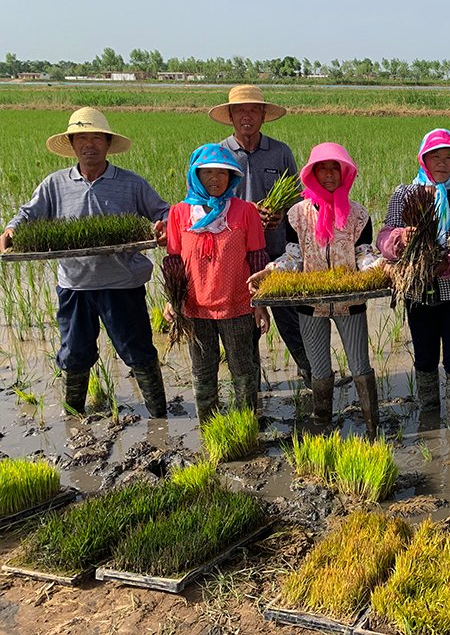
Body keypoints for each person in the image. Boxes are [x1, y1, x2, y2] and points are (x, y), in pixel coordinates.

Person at [0, 108, 169, 417]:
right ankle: (73, 417)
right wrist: (11, 229)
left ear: (107, 143)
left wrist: (164, 226)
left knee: (139, 352)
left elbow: (163, 212)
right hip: (75, 287)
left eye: (95, 138)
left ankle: (159, 415)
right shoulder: (54, 184)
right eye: (81, 138)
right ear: (72, 144)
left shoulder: (131, 184)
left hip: (123, 285)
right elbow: (26, 214)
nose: (89, 144)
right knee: (74, 354)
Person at [249, 143, 381, 435]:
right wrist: (271, 272)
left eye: (336, 168)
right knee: (319, 369)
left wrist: (382, 268)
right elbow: (293, 256)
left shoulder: (358, 214)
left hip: (351, 303)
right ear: (312, 173)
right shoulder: (297, 215)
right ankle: (322, 422)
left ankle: (373, 425)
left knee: (360, 365)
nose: (330, 174)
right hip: (310, 306)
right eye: (323, 168)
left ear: (345, 173)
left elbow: (364, 255)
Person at [377, 129, 450, 432]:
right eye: (436, 156)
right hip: (418, 290)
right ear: (424, 159)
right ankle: (430, 420)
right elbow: (383, 237)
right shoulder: (405, 194)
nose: (443, 163)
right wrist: (400, 237)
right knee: (424, 356)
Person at [212, 85, 311, 386]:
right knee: (244, 326)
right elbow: (210, 206)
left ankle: (311, 375)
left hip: (279, 252)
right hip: (236, 257)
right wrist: (248, 213)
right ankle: (249, 390)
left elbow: (297, 201)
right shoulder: (219, 155)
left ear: (264, 115)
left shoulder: (280, 152)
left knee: (292, 319)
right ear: (230, 115)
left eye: (254, 109)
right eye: (240, 110)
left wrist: (280, 213)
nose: (247, 116)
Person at [163, 144, 270, 421]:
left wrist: (260, 304)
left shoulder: (245, 211)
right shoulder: (179, 213)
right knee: (202, 370)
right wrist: (172, 301)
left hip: (236, 304)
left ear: (232, 177)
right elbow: (174, 261)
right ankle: (209, 427)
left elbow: (258, 259)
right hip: (194, 307)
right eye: (207, 172)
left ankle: (246, 424)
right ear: (195, 175)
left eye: (222, 173)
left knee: (243, 368)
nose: (215, 179)